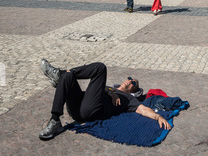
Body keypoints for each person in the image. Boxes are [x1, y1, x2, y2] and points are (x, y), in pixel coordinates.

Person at [39, 59, 171, 140]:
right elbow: (100, 90)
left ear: (134, 90)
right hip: (76, 108)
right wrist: (111, 92)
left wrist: (158, 117)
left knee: (100, 68)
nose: (129, 81)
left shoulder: (129, 99)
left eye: (133, 83)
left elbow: (143, 110)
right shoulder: (108, 88)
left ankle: (59, 73)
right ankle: (55, 120)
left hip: (90, 111)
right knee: (68, 78)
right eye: (130, 78)